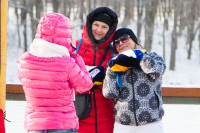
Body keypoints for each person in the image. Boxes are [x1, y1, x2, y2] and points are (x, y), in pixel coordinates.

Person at [17, 13, 93, 133]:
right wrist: (74, 55)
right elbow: (86, 85)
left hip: (35, 125)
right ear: (65, 36)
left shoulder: (25, 60)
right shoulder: (67, 63)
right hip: (62, 125)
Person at [103, 28, 166, 133]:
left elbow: (157, 70)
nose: (121, 43)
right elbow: (109, 92)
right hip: (123, 125)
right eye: (116, 42)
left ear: (134, 40)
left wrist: (139, 59)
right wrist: (112, 70)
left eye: (124, 38)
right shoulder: (116, 65)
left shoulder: (152, 57)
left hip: (151, 124)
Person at [74, 7, 118, 133]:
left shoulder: (114, 51)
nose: (99, 30)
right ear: (89, 25)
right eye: (96, 25)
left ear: (110, 30)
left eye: (104, 27)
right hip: (80, 113)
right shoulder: (74, 46)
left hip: (108, 117)